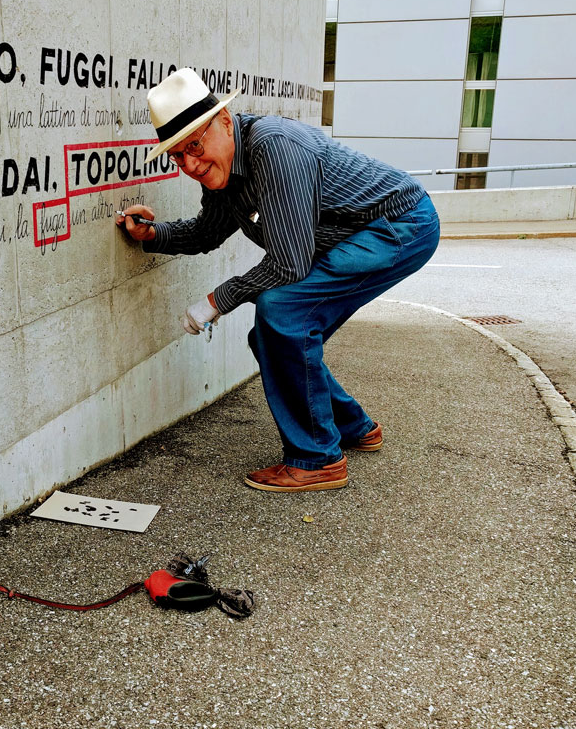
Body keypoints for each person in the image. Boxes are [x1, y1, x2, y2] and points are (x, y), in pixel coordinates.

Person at [117, 68, 439, 492]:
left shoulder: (274, 147)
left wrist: (217, 299)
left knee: (282, 311)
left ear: (225, 122)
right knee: (274, 334)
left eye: (194, 145)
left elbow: (289, 264)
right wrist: (152, 235)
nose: (190, 164)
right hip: (359, 233)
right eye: (177, 156)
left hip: (399, 225)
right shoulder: (224, 171)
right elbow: (206, 233)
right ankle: (354, 427)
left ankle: (318, 460)